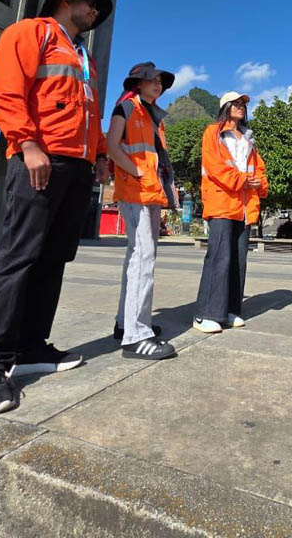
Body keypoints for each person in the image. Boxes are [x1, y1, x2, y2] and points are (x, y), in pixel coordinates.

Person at [0, 0, 112, 416]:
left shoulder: (83, 56)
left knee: (54, 257)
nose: (96, 12)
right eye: (91, 3)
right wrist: (27, 144)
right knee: (18, 256)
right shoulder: (30, 32)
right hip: (40, 158)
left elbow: (90, 111)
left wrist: (101, 154)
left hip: (78, 165)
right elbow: (5, 93)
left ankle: (31, 347)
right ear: (65, 1)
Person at [106, 62, 178, 360]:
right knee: (142, 258)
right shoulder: (127, 107)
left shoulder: (152, 115)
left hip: (148, 191)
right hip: (136, 190)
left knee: (137, 257)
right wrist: (137, 172)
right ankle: (136, 335)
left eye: (160, 81)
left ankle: (126, 324)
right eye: (152, 80)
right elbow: (112, 145)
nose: (158, 84)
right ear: (138, 82)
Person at [193, 92, 268, 333]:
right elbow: (216, 167)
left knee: (238, 259)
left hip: (245, 207)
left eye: (244, 104)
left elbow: (259, 170)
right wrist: (246, 180)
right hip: (222, 203)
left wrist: (259, 184)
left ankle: (230, 310)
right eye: (236, 104)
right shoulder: (212, 132)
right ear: (225, 107)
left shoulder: (249, 138)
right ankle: (205, 314)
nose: (241, 107)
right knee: (219, 258)